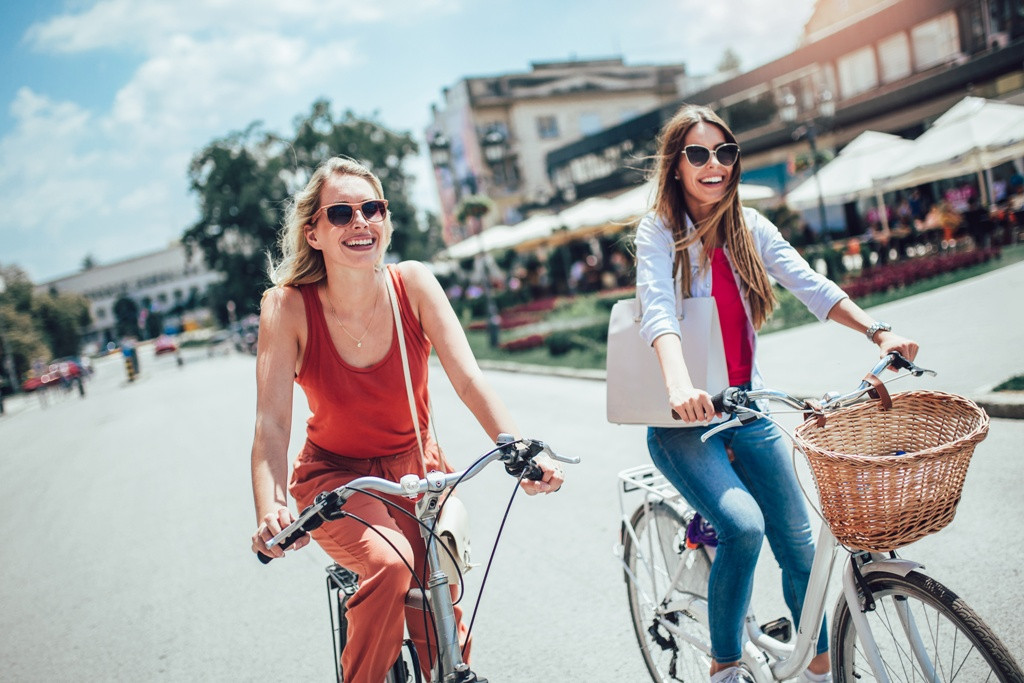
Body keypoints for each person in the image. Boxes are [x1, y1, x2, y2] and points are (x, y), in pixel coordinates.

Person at [249, 156, 564, 682]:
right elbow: (272, 424)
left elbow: (468, 379)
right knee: (389, 567)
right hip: (337, 481)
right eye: (342, 213)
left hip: (419, 474)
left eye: (372, 208)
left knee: (441, 624)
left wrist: (520, 449)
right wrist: (272, 507)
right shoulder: (287, 308)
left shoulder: (412, 284)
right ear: (315, 232)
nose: (360, 222)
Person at [633, 105, 918, 683]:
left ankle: (816, 665)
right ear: (676, 166)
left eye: (725, 152)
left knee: (798, 541)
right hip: (684, 420)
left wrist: (875, 329)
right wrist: (680, 384)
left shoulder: (749, 227)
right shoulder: (659, 231)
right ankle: (725, 665)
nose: (714, 164)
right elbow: (656, 308)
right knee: (743, 526)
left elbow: (810, 284)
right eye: (698, 154)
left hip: (748, 407)